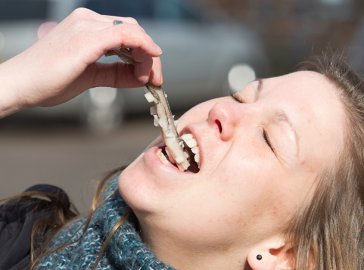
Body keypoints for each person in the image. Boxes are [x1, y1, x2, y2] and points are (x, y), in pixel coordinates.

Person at [0, 8, 362, 270]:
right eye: (241, 96)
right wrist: (14, 85)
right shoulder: (23, 233)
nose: (223, 111)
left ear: (283, 253)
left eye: (269, 138)